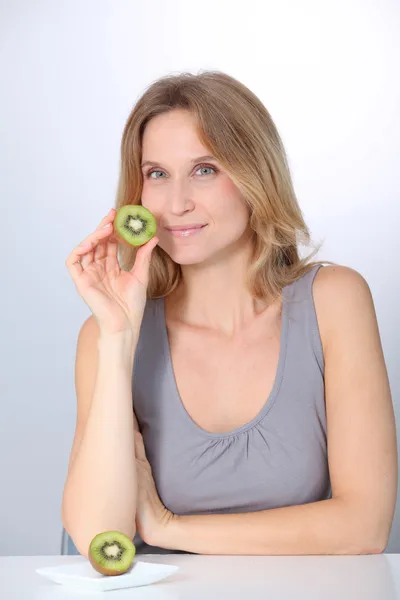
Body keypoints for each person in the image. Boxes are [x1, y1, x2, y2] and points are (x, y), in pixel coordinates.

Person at [62, 70, 397, 558]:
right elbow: (97, 537)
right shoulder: (107, 333)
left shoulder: (334, 301)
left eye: (204, 169)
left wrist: (167, 528)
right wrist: (117, 337)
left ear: (254, 174)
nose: (176, 203)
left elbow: (364, 528)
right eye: (157, 174)